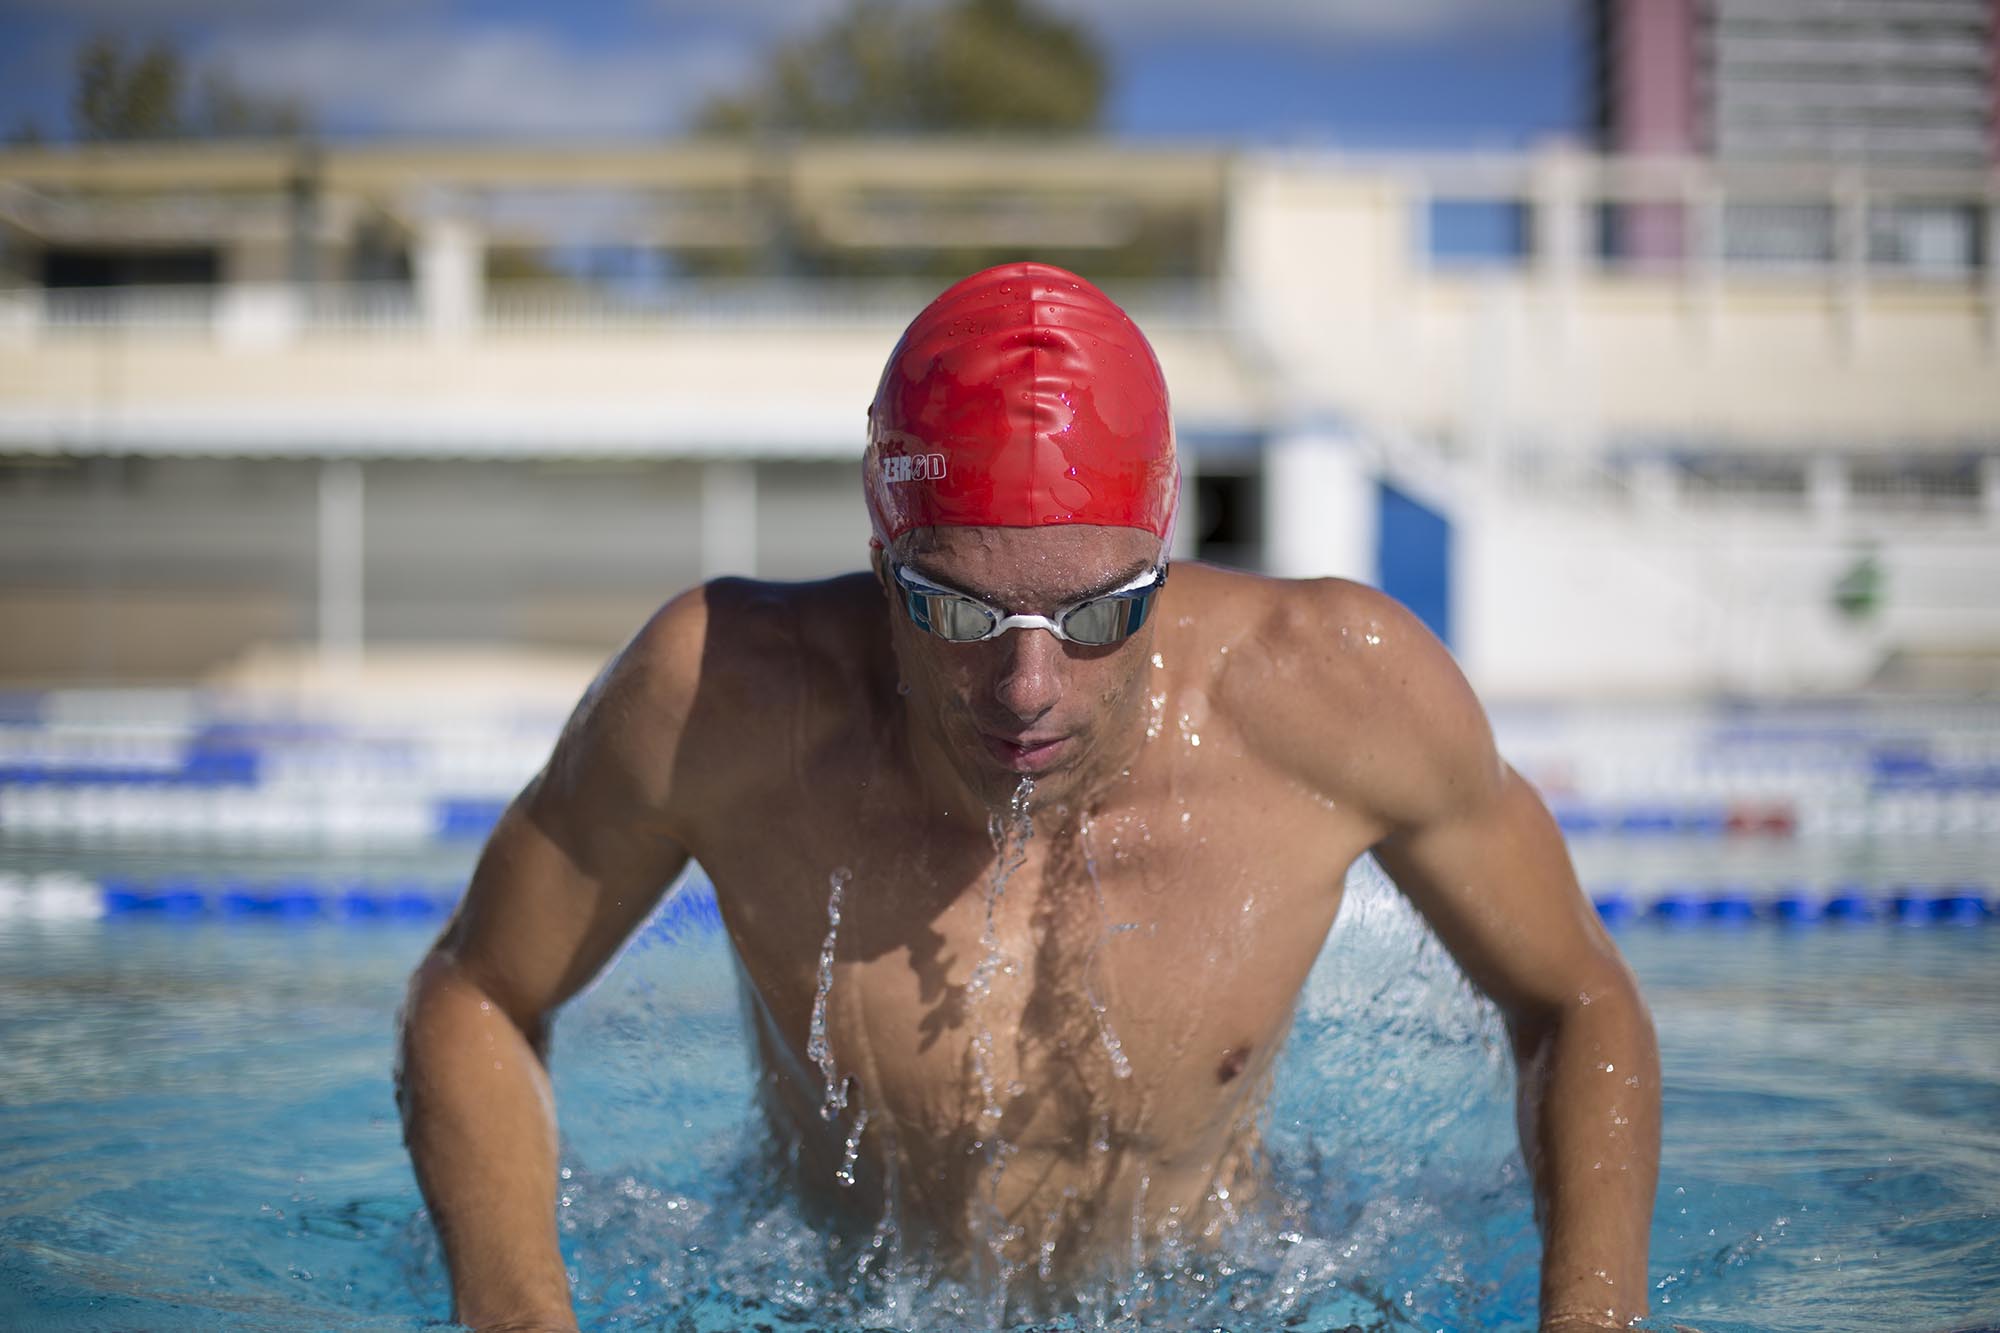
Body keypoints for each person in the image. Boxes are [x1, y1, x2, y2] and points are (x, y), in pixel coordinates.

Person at [397, 261, 1660, 1332]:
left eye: (1100, 611)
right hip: (828, 1299)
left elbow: (1575, 996)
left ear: (1164, 543)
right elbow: (477, 991)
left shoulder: (1337, 693)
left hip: (1220, 1296)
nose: (1026, 687)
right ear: (879, 548)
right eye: (956, 609)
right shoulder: (720, 700)